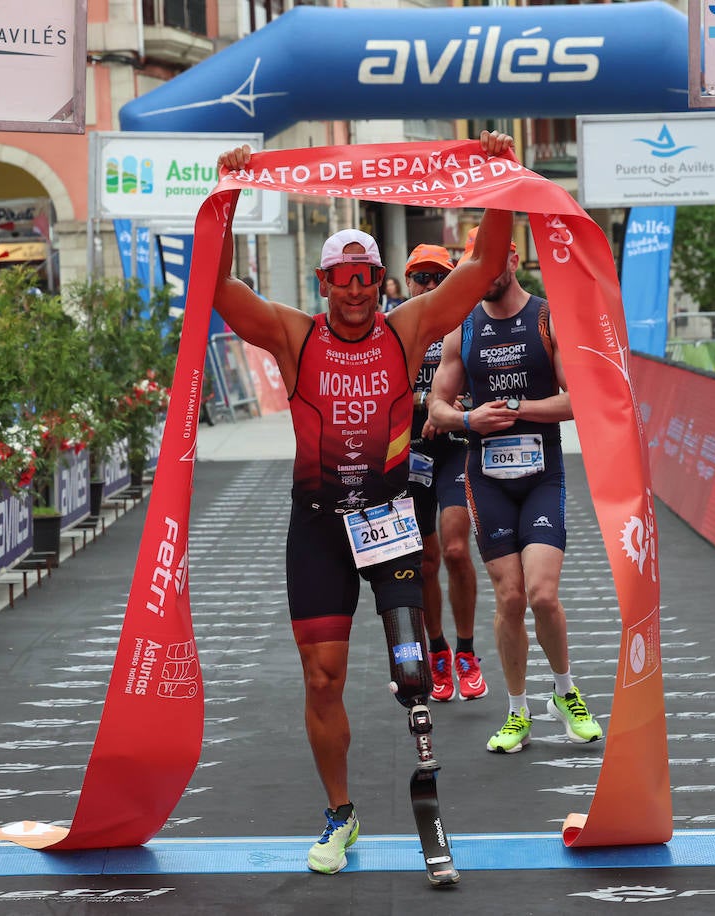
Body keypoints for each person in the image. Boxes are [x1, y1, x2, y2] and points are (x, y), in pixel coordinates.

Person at [211, 131, 516, 877]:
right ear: (323, 282)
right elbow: (218, 290)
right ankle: (340, 814)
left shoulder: (406, 332)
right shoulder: (294, 336)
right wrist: (228, 194)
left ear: (381, 283)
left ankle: (428, 792)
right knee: (321, 677)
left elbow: (478, 269)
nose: (354, 290)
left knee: (412, 668)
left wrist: (499, 181)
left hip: (387, 525)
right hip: (317, 529)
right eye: (342, 279)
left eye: (365, 279)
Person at [428, 226, 604, 755]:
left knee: (543, 594)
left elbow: (578, 401)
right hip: (487, 481)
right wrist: (466, 418)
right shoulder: (464, 328)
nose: (482, 275)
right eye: (472, 265)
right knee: (509, 596)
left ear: (512, 258)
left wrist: (514, 411)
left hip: (542, 475)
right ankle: (517, 711)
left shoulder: (547, 318)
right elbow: (438, 407)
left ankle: (566, 693)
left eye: (489, 263)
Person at [393, 244, 485, 703]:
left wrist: (449, 409)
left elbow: (482, 386)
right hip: (409, 452)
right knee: (424, 560)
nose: (429, 286)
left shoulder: (466, 323)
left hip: (453, 447)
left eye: (438, 278)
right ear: (407, 281)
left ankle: (467, 651)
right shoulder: (394, 326)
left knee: (453, 547)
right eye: (421, 278)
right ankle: (438, 651)